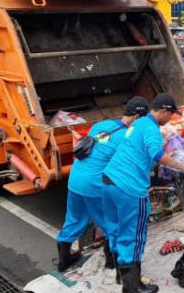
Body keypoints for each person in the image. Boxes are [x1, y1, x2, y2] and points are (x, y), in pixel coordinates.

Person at [101, 93, 184, 293]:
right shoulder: (152, 128)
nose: (171, 118)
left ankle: (121, 275)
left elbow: (143, 155)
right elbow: (157, 155)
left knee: (117, 231)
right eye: (171, 114)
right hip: (129, 188)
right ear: (163, 111)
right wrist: (183, 167)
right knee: (134, 236)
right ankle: (132, 287)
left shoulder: (138, 124)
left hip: (109, 181)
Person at [56, 97, 150, 273]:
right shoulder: (128, 137)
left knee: (74, 219)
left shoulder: (101, 125)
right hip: (95, 186)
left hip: (75, 179)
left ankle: (64, 262)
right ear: (137, 117)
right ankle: (111, 264)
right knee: (112, 224)